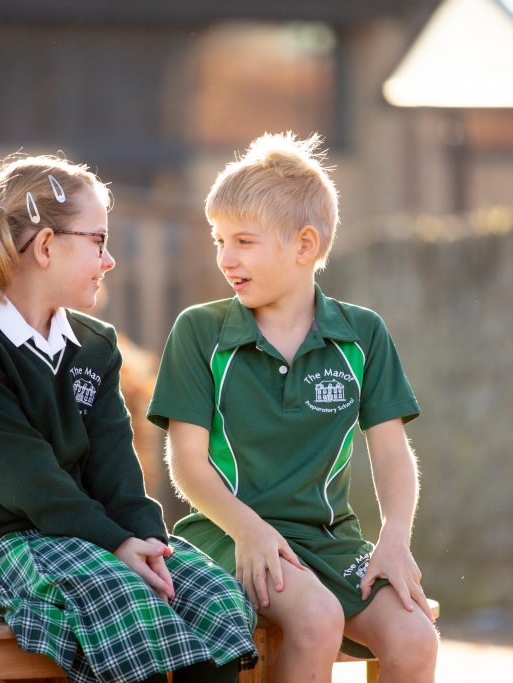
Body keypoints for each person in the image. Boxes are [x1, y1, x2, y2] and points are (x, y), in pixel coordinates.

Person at [0, 154, 257, 683]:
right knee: (126, 599)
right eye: (97, 240)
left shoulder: (96, 346)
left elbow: (117, 470)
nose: (109, 260)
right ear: (47, 246)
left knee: (212, 594)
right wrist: (116, 544)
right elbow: (26, 478)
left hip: (88, 540)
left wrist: (149, 542)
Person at [147, 132, 439, 683]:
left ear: (304, 246)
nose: (225, 258)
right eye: (219, 240)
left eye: (244, 241)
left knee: (416, 640)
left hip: (331, 540)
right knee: (317, 618)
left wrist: (395, 540)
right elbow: (186, 462)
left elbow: (392, 451)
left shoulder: (363, 334)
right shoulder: (199, 331)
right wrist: (249, 531)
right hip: (229, 532)